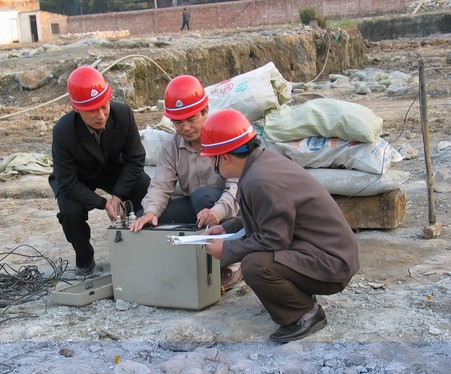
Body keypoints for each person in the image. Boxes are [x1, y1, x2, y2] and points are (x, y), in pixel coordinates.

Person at [200, 109, 360, 342]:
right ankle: (297, 297)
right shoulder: (262, 164)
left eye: (211, 158)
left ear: (224, 157)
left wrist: (227, 249)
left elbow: (274, 239)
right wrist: (228, 228)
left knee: (255, 265)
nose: (211, 163)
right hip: (329, 253)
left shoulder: (259, 180)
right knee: (258, 258)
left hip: (332, 265)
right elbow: (266, 214)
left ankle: (304, 313)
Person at [129, 75, 242, 290]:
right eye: (179, 122)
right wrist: (150, 211)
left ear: (205, 111)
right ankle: (177, 256)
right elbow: (160, 185)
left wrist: (217, 211)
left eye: (191, 119)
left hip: (230, 209)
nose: (186, 127)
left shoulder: (223, 138)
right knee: (150, 216)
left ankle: (233, 261)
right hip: (197, 208)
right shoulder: (171, 148)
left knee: (202, 197)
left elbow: (237, 187)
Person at [49, 66, 151, 275]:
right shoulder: (63, 131)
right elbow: (67, 182)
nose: (101, 115)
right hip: (77, 178)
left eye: (104, 107)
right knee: (70, 212)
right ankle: (84, 259)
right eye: (92, 110)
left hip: (111, 168)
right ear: (77, 109)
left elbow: (135, 159)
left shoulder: (123, 114)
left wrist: (119, 195)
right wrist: (104, 204)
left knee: (144, 187)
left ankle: (144, 245)